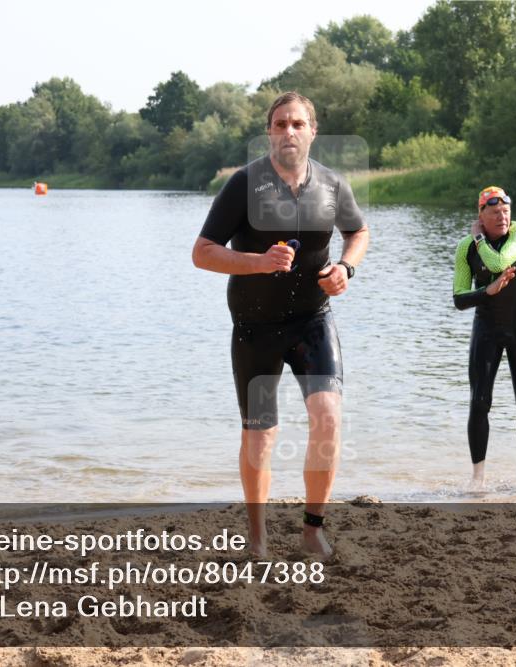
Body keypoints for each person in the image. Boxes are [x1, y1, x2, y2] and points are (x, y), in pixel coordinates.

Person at [192, 92, 369, 557]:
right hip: (255, 327)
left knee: (328, 416)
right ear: (269, 132)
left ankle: (313, 530)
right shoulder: (243, 185)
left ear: (312, 131)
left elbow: (359, 232)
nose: (288, 131)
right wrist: (259, 261)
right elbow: (202, 253)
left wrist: (345, 269)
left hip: (313, 319)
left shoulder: (332, 184)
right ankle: (257, 536)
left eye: (297, 124)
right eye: (279, 124)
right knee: (260, 433)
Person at [453, 186, 516, 490]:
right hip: (487, 330)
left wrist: (480, 238)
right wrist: (486, 292)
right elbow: (459, 298)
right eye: (494, 212)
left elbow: (498, 263)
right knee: (479, 403)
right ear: (481, 215)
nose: (502, 216)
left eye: (505, 211)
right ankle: (477, 476)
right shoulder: (465, 247)